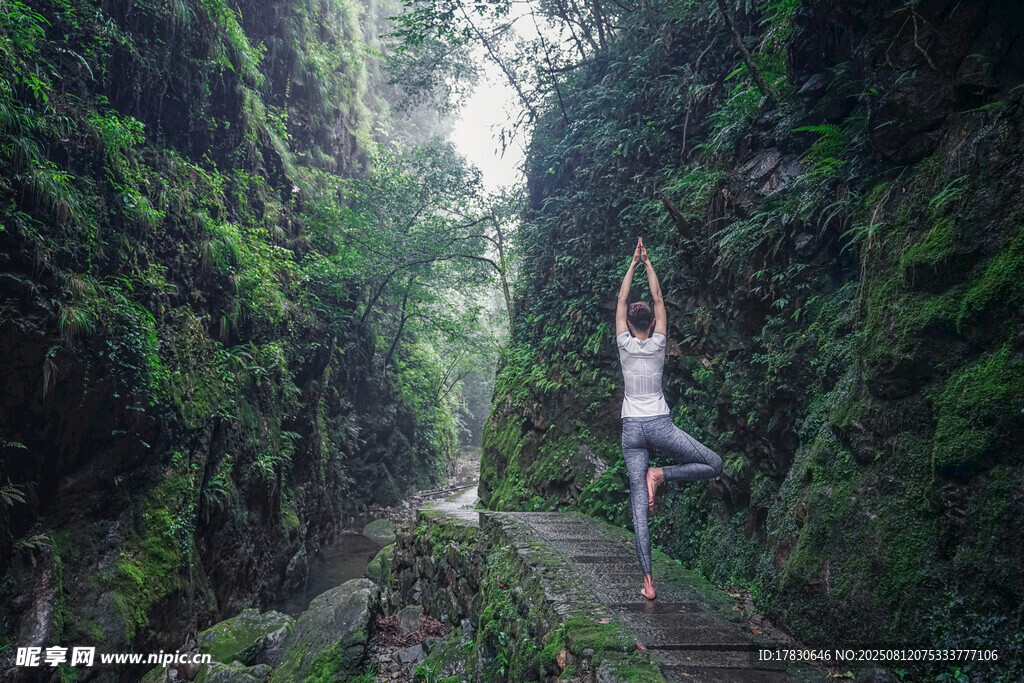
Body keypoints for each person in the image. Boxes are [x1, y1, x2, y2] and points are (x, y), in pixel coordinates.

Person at [615, 237, 723, 600]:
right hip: (660, 426)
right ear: (649, 320)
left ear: (630, 321)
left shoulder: (623, 345)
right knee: (714, 463)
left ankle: (648, 583)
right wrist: (647, 263)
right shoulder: (659, 343)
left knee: (636, 502)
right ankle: (660, 475)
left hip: (632, 430)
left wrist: (632, 264)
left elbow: (620, 300)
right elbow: (660, 300)